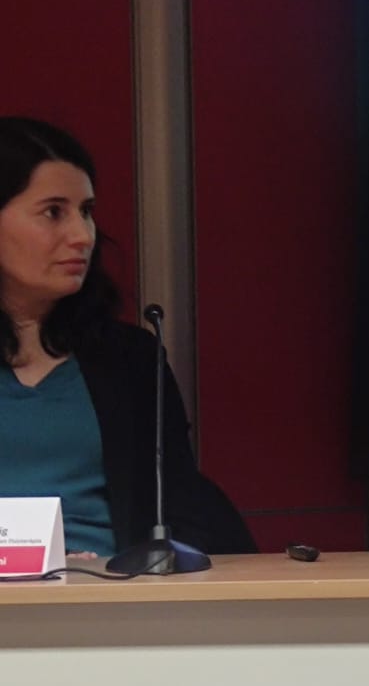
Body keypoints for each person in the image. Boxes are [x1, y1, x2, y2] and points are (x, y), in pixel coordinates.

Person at [0, 117, 254, 559]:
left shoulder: (129, 359)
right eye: (54, 212)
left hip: (107, 590)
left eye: (86, 211)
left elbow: (181, 506)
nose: (82, 236)